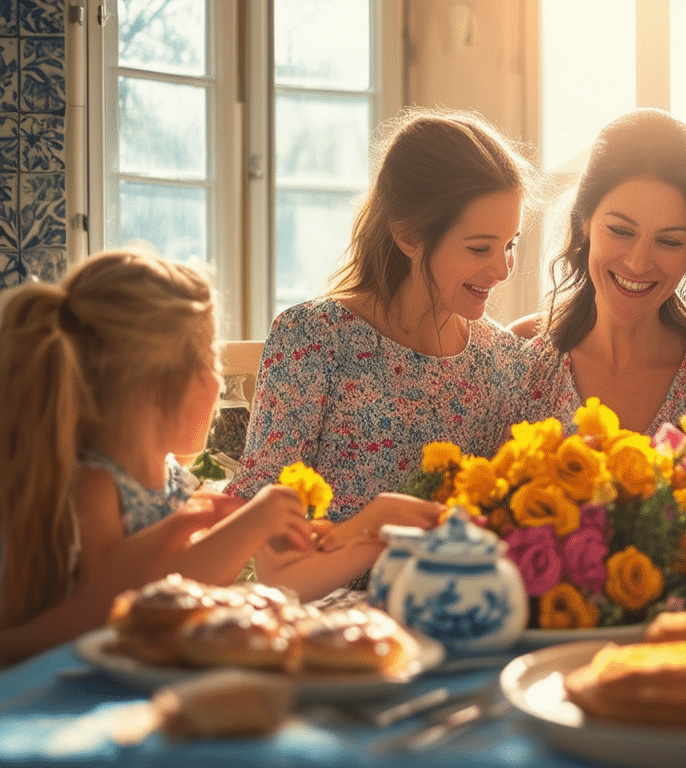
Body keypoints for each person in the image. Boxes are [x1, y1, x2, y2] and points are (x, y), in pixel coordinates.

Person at [228, 108, 537, 594]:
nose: (502, 270)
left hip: (455, 620)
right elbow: (263, 552)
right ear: (409, 235)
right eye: (480, 248)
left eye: (510, 244)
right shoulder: (313, 339)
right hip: (322, 624)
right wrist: (370, 527)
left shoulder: (506, 362)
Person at [0, 249, 319, 664]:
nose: (219, 378)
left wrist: (247, 537)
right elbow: (122, 610)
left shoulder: (173, 478)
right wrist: (248, 524)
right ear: (156, 386)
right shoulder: (96, 487)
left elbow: (184, 588)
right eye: (211, 358)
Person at [510, 109, 686, 458]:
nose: (638, 262)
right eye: (620, 231)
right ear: (584, 222)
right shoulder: (521, 362)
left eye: (670, 241)